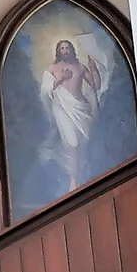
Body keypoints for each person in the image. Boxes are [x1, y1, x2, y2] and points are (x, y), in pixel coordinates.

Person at [39, 38, 107, 193]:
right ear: (58, 51)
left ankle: (79, 175)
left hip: (81, 109)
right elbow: (45, 90)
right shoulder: (53, 68)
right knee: (73, 143)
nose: (65, 51)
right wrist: (61, 79)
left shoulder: (80, 67)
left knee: (82, 143)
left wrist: (94, 69)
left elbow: (96, 85)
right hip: (63, 109)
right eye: (62, 48)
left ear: (72, 50)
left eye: (67, 48)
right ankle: (73, 180)